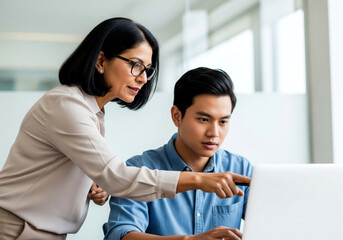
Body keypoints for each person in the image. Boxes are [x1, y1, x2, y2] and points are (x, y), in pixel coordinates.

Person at [0, 18, 250, 239]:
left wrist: (86, 187)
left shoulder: (94, 112)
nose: (143, 77)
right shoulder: (66, 105)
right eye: (135, 64)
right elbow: (118, 177)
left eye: (148, 69)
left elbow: (95, 173)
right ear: (101, 60)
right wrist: (200, 180)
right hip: (15, 228)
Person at [104, 67, 253, 240]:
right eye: (204, 120)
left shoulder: (241, 169)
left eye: (223, 122)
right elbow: (120, 235)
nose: (214, 133)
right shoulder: (139, 169)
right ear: (176, 116)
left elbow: (271, 224)